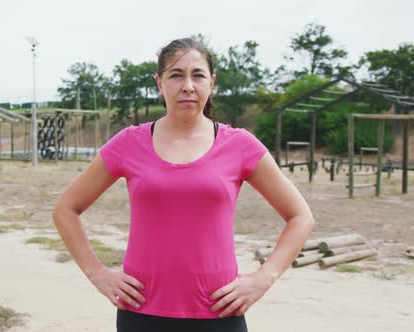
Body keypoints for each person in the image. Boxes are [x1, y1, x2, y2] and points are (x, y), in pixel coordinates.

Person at [53, 37, 315, 332]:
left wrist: (265, 277)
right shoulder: (129, 143)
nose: (187, 85)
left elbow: (300, 216)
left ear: (211, 82)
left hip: (219, 313)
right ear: (159, 83)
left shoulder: (240, 145)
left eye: (198, 75)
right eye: (176, 75)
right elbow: (66, 209)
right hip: (142, 312)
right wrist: (97, 273)